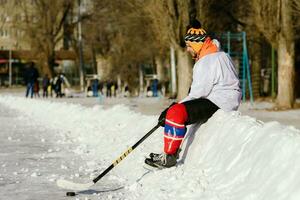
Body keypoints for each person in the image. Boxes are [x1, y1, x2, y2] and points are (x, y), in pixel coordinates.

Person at [145, 19, 242, 168]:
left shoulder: (206, 62)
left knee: (176, 113)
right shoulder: (222, 55)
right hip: (226, 100)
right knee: (177, 110)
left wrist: (172, 109)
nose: (188, 50)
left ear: (196, 44)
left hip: (218, 102)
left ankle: (169, 157)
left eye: (189, 46)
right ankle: (170, 152)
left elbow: (197, 94)